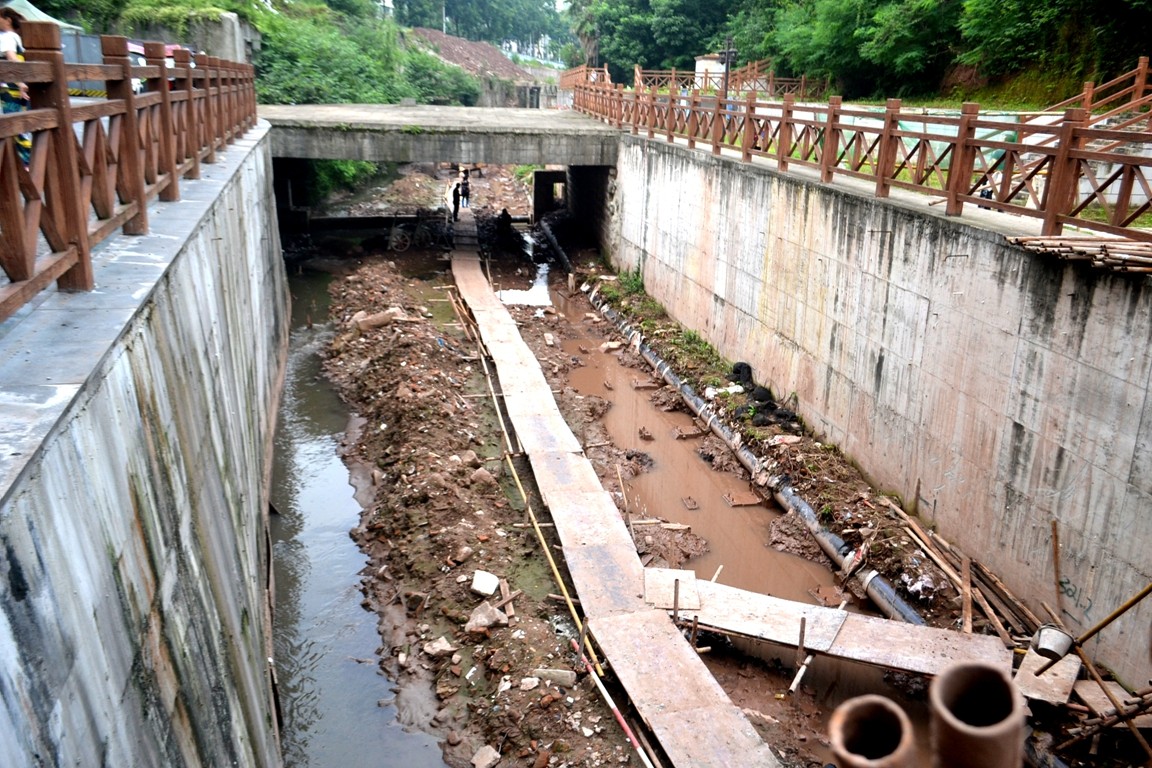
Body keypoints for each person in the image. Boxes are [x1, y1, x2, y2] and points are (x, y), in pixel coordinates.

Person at [0, 8, 30, 167]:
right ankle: (24, 163)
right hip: (17, 85)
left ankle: (23, 164)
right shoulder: (16, 37)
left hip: (11, 87)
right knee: (21, 124)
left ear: (7, 20)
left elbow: (11, 57)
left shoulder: (7, 37)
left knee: (14, 124)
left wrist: (19, 82)